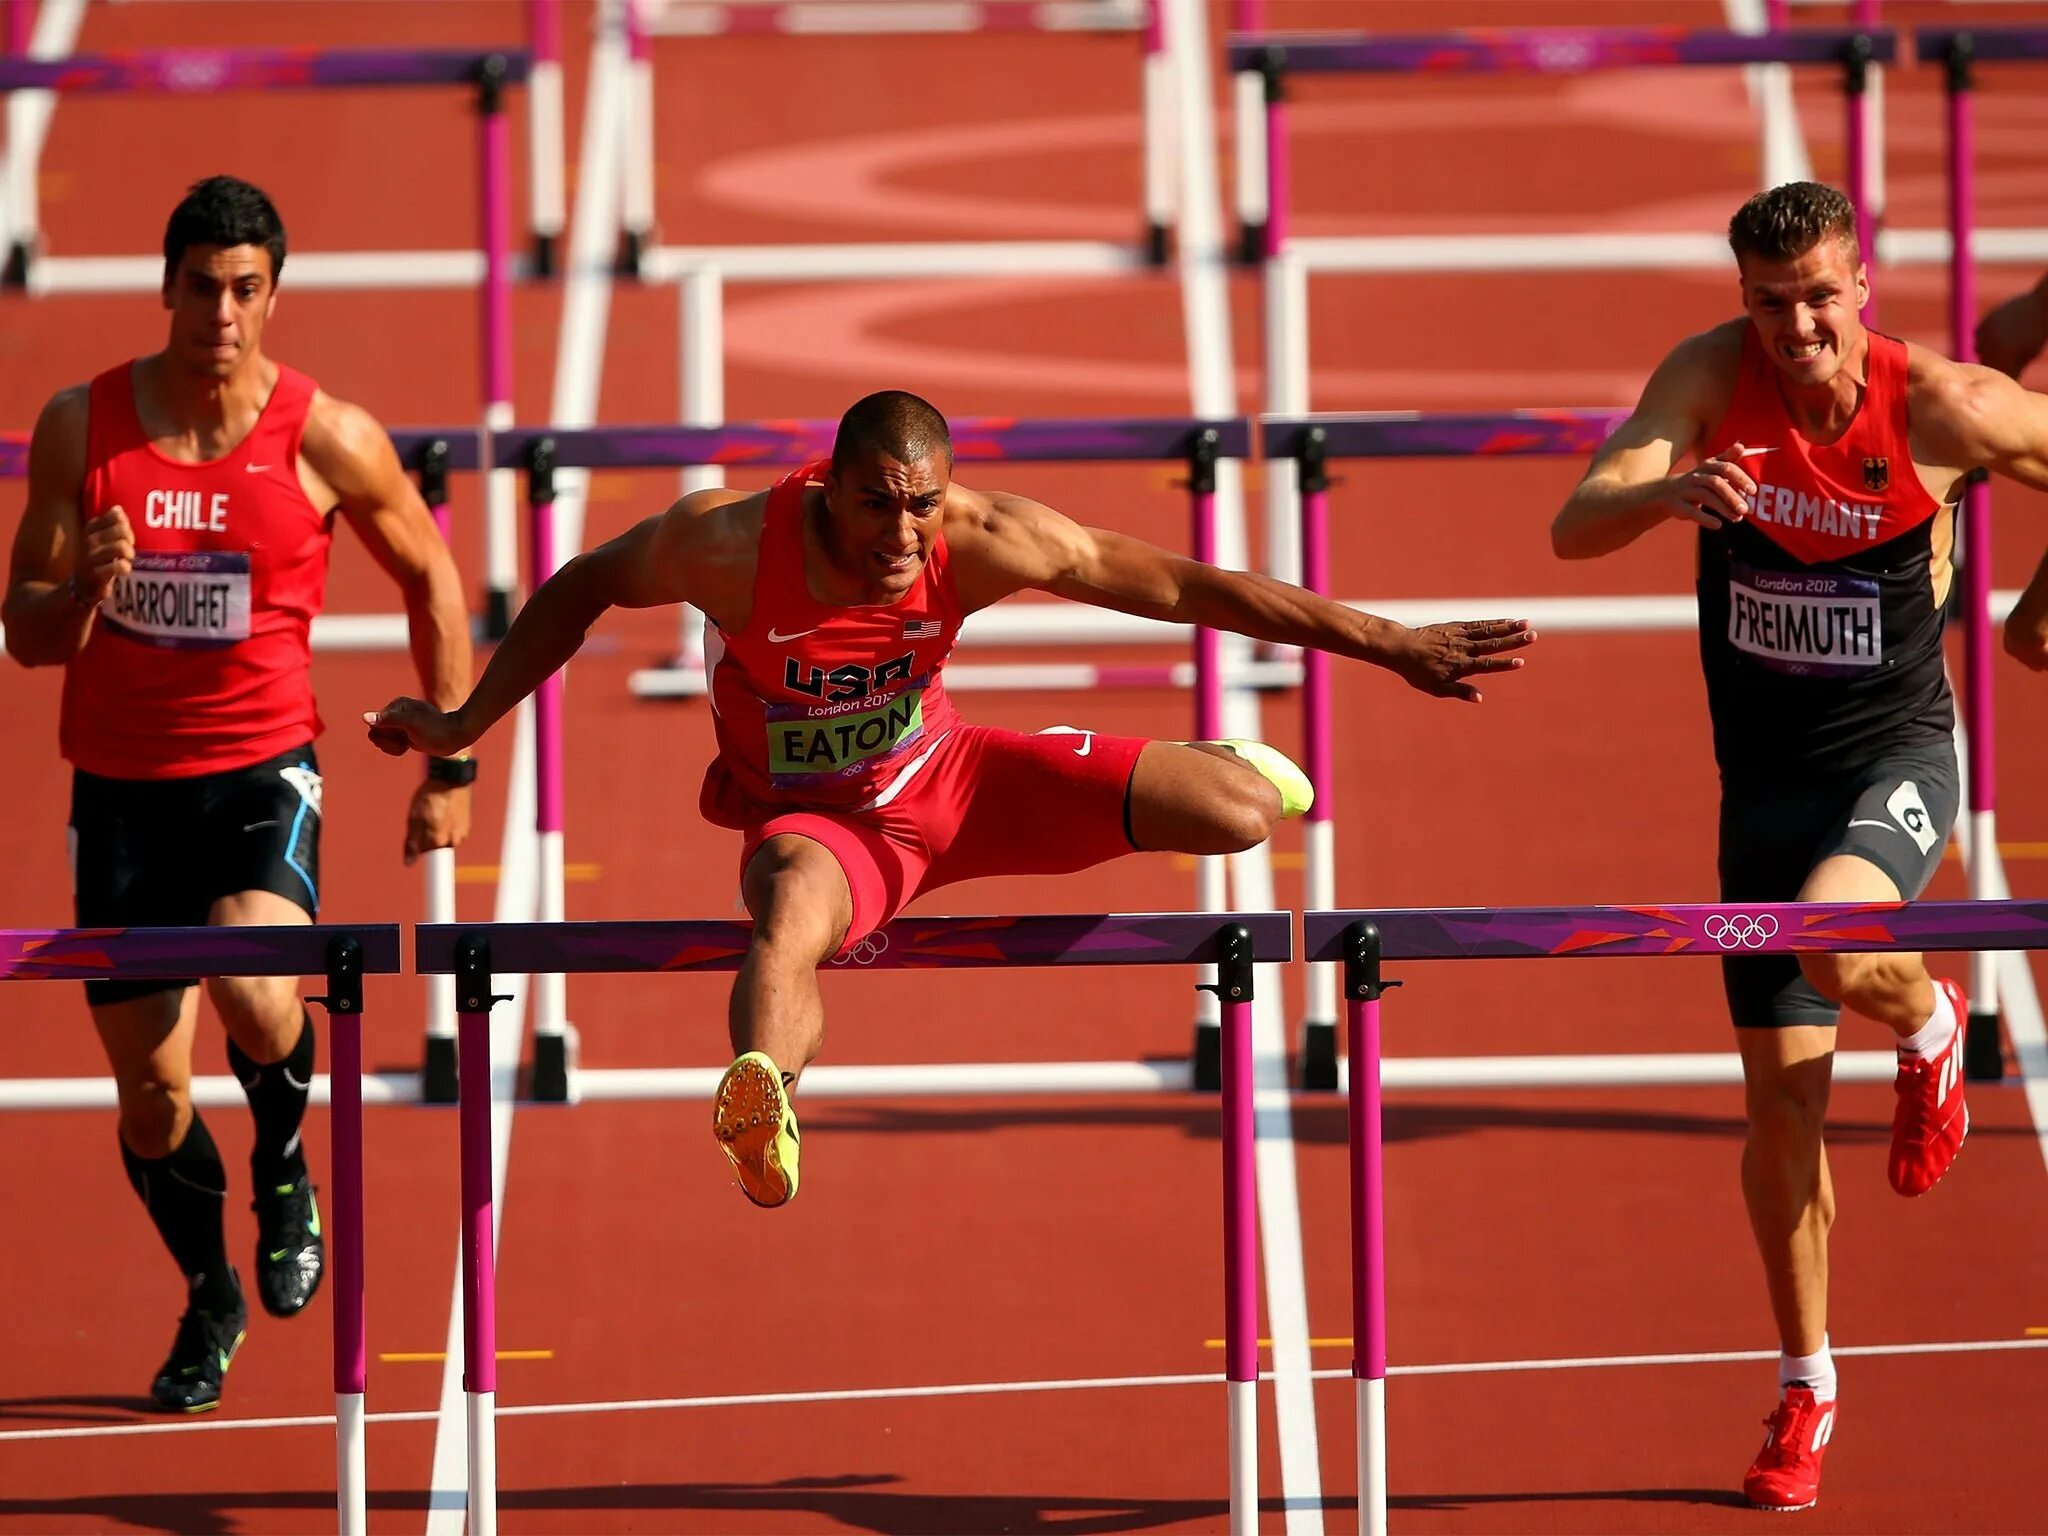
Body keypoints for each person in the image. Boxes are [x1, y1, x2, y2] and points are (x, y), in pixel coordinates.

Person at [366, 389, 1535, 1209]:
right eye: (878, 505)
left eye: (921, 505)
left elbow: (1181, 585)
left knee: (1234, 816)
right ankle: (763, 1099)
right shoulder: (722, 546)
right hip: (822, 825)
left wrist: (1387, 642)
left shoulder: (981, 538)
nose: (902, 533)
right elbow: (577, 589)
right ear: (826, 486)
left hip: (953, 779)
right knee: (785, 913)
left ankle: (1210, 759)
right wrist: (465, 725)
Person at [1551, 180, 2048, 1511]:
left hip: (1892, 767)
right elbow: (1575, 520)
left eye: (1820, 297)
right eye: (1771, 304)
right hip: (1760, 790)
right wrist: (1669, 498)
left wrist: (2033, 618)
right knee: (1781, 1109)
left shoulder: (1942, 404)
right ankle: (1807, 1387)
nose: (1798, 328)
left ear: (1862, 287)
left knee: (1832, 940)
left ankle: (1936, 1023)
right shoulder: (1714, 379)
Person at [3, 176, 477, 1413]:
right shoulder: (82, 426)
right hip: (119, 791)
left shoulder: (327, 435)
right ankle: (209, 1294)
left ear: (273, 295)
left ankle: (281, 1166)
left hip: (261, 772)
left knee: (252, 981)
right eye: (203, 285)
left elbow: (434, 581)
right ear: (166, 288)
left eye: (246, 288)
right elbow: (27, 636)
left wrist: (452, 763)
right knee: (153, 1100)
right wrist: (83, 590)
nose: (222, 309)